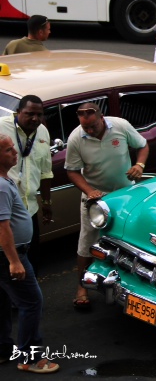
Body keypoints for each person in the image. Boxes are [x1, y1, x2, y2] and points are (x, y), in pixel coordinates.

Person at [64, 103, 148, 309]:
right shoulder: (76, 138)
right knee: (87, 241)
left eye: (93, 126)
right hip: (96, 197)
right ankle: (81, 286)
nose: (90, 131)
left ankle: (133, 284)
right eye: (86, 128)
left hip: (125, 194)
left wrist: (139, 165)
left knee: (128, 239)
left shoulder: (120, 126)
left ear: (102, 118)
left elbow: (143, 146)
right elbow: (72, 171)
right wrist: (89, 191)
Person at [0, 134, 59, 373]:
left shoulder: (6, 180)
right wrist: (14, 261)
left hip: (6, 255)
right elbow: (2, 227)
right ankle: (30, 358)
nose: (15, 152)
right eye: (8, 150)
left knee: (2, 302)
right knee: (32, 303)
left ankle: (3, 349)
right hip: (10, 255)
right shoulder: (1, 186)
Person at [0, 96, 53, 278]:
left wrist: (46, 202)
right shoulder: (2, 128)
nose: (35, 119)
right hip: (5, 207)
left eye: (39, 114)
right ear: (18, 112)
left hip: (29, 208)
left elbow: (45, 171)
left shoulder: (42, 132)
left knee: (31, 260)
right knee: (6, 263)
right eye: (29, 114)